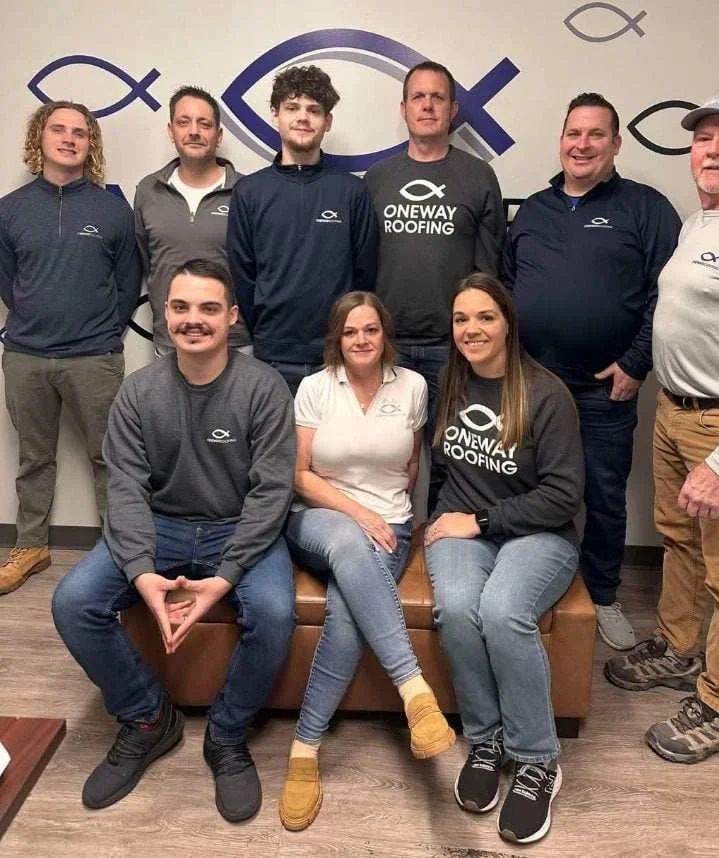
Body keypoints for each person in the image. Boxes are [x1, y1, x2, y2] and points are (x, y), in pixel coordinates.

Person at [52, 259, 296, 820]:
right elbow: (127, 490)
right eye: (181, 307)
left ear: (232, 317)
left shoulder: (263, 389)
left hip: (237, 527)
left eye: (209, 308)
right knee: (73, 600)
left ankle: (227, 734)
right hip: (158, 525)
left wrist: (224, 579)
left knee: (275, 612)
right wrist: (140, 572)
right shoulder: (138, 393)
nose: (194, 320)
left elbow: (271, 493)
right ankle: (146, 718)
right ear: (164, 314)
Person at [605, 87, 719, 763]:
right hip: (675, 410)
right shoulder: (703, 221)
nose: (712, 149)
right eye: (703, 138)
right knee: (679, 543)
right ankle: (678, 648)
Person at [503, 92, 681, 649]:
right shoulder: (534, 208)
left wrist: (635, 364)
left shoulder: (645, 208)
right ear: (560, 140)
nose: (582, 145)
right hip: (533, 384)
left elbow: (667, 295)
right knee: (527, 486)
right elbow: (507, 290)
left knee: (602, 493)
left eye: (595, 134)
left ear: (615, 143)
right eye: (573, 134)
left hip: (606, 387)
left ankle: (601, 595)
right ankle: (525, 588)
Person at [278, 290, 454, 831]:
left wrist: (397, 517)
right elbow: (300, 474)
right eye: (351, 331)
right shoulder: (314, 387)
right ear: (338, 337)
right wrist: (357, 511)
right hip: (319, 518)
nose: (361, 340)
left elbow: (411, 466)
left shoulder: (414, 386)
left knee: (348, 618)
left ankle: (304, 750)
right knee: (352, 540)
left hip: (392, 526)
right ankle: (414, 691)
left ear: (385, 335)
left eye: (371, 330)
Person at [425, 273, 584, 845]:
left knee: (503, 611)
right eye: (462, 319)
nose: (472, 329)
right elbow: (442, 468)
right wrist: (438, 521)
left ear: (508, 322)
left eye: (485, 317)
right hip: (464, 528)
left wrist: (484, 521)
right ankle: (486, 740)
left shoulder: (545, 393)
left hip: (538, 533)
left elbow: (564, 496)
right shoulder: (450, 382)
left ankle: (538, 760)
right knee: (461, 608)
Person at [0, 100, 141, 595]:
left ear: (90, 144)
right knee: (34, 459)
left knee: (110, 457)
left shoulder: (111, 210)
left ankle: (119, 551)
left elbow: (128, 282)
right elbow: (8, 281)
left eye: (79, 133)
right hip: (25, 356)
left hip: (94, 356)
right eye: (58, 130)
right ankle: (31, 546)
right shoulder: (10, 210)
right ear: (39, 138)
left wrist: (101, 331)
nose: (68, 139)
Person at [364, 61, 505, 436]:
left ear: (453, 109)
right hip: (387, 346)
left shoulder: (479, 177)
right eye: (418, 97)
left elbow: (488, 273)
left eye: (437, 97)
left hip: (453, 348)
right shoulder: (377, 178)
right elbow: (361, 265)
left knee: (450, 458)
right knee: (387, 456)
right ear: (404, 108)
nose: (427, 105)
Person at [227, 65, 377, 394]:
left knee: (336, 448)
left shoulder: (351, 192)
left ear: (328, 121)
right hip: (272, 357)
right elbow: (243, 274)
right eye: (292, 108)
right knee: (276, 447)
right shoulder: (250, 192)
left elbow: (365, 277)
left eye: (314, 110)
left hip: (337, 357)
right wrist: (267, 331)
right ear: (275, 116)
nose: (303, 118)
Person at [134, 85, 250, 355]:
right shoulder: (148, 191)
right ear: (171, 130)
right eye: (183, 122)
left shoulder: (247, 191)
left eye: (205, 124)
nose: (194, 131)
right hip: (171, 340)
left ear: (218, 135)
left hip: (234, 342)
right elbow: (146, 261)